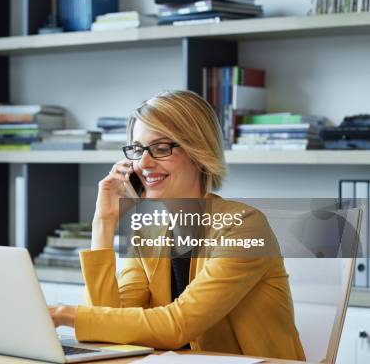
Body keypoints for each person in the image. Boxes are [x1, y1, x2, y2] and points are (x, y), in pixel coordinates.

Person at [49, 90, 306, 360]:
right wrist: (103, 221)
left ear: (198, 152)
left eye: (161, 148)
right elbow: (108, 325)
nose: (143, 163)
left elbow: (177, 324)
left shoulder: (243, 226)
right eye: (137, 150)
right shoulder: (148, 233)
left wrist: (61, 314)